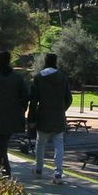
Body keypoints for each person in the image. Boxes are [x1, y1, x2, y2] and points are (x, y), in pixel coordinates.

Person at [27, 52, 72, 184]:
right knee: (59, 145)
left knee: (40, 144)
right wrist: (61, 109)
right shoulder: (62, 77)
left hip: (43, 115)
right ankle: (58, 174)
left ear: (45, 62)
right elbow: (68, 98)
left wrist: (31, 118)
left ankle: (39, 169)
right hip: (58, 116)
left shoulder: (39, 77)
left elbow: (33, 100)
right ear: (55, 62)